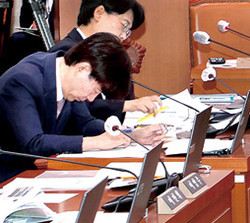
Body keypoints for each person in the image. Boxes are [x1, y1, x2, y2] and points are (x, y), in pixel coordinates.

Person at [0, 33, 166, 181]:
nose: (91, 98)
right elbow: (34, 143)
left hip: (40, 173)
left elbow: (85, 124)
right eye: (95, 90)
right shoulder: (23, 80)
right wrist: (95, 142)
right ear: (83, 68)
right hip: (9, 177)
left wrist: (130, 135)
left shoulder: (68, 80)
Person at [49, 0, 160, 119]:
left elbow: (122, 96)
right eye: (124, 25)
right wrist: (128, 106)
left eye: (128, 31)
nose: (123, 36)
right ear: (99, 13)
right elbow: (77, 108)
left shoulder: (105, 56)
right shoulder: (65, 53)